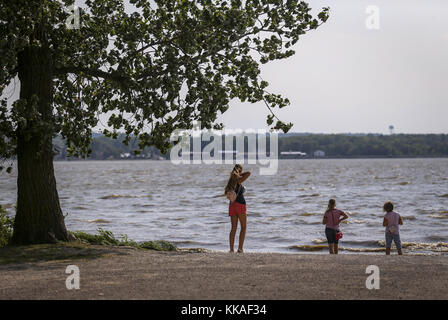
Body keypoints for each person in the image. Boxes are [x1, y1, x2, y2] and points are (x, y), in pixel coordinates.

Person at [224, 164, 250, 253]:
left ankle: (231, 249)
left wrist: (234, 174)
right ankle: (240, 249)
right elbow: (249, 173)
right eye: (240, 171)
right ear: (239, 171)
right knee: (243, 227)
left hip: (232, 205)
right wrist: (239, 174)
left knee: (233, 228)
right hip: (240, 205)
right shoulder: (238, 180)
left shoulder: (230, 181)